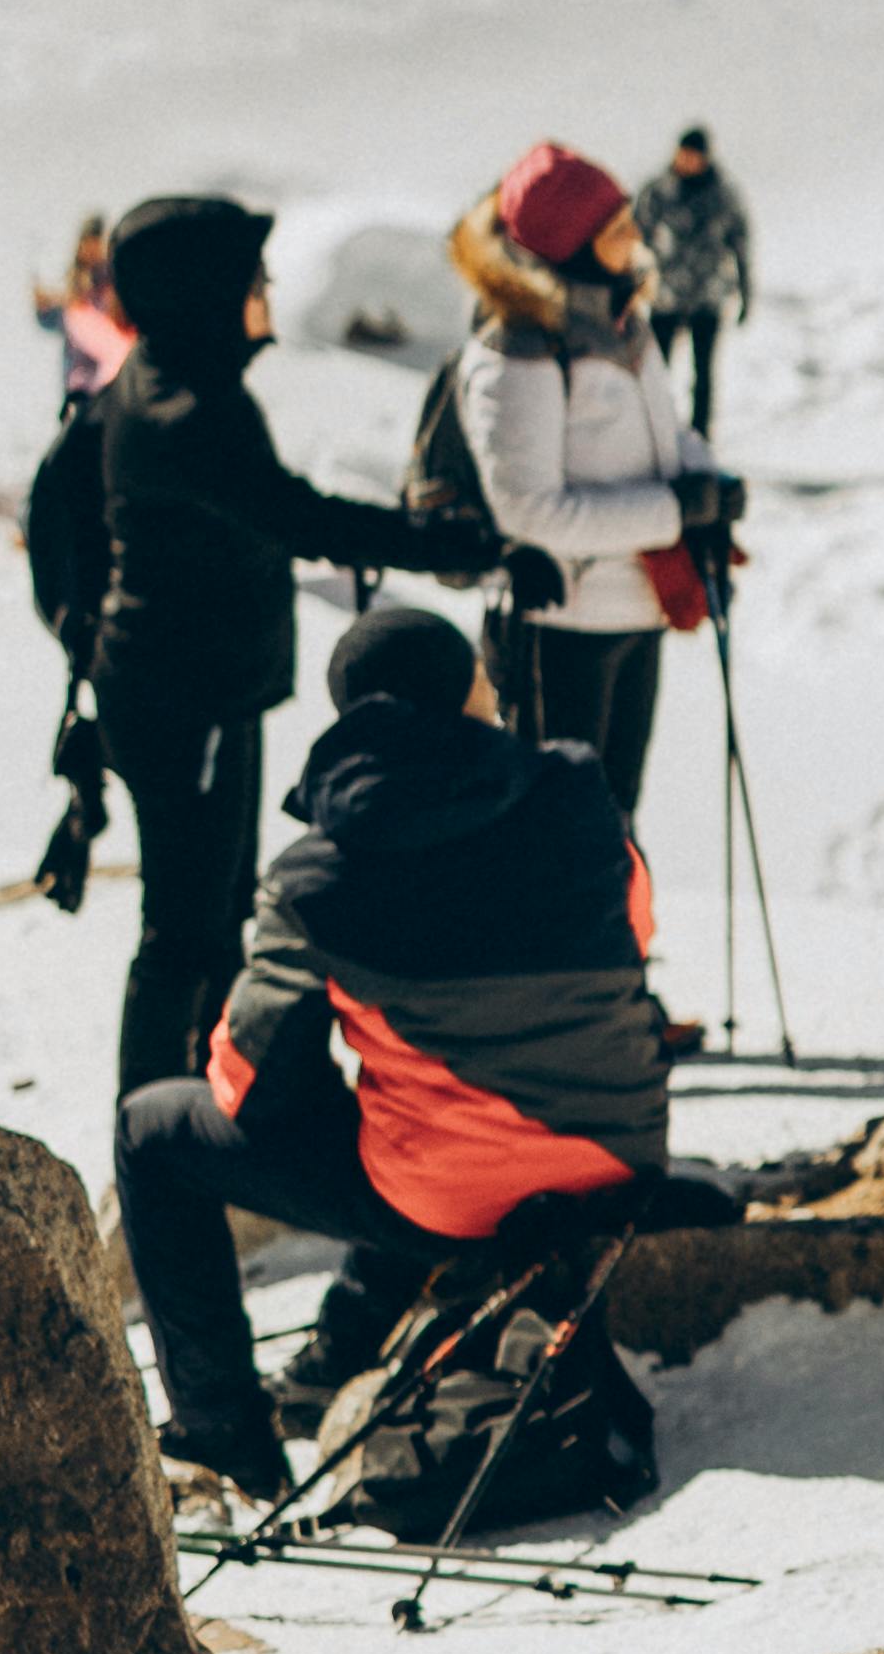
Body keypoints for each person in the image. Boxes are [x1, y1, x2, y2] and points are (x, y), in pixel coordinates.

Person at [113, 606, 678, 1493]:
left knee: (154, 1132)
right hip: (621, 1159)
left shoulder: (318, 873)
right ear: (468, 701)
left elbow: (249, 1082)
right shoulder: (583, 802)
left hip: (449, 1197)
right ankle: (341, 1350)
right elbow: (634, 938)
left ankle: (223, 1433)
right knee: (418, 1112)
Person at [84, 194, 512, 1104]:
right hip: (181, 698)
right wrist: (437, 546)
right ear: (205, 292)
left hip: (187, 691)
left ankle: (194, 1107)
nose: (269, 290)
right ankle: (155, 1128)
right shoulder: (190, 410)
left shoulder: (160, 381)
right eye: (252, 276)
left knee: (213, 913)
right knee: (185, 929)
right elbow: (294, 515)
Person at [452, 145, 734, 816]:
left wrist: (706, 480)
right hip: (563, 622)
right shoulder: (520, 350)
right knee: (559, 830)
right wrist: (675, 511)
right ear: (568, 246)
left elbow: (665, 433)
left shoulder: (621, 319)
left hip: (636, 605)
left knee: (613, 818)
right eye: (616, 230)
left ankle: (617, 926)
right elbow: (529, 510)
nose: (637, 239)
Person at [636, 124, 753, 434]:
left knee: (703, 374)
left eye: (694, 155)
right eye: (683, 154)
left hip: (707, 296)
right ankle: (655, 430)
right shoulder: (659, 191)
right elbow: (636, 239)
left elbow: (740, 243)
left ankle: (701, 436)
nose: (688, 161)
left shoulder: (722, 195)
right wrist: (632, 286)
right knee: (656, 369)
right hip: (666, 294)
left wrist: (745, 292)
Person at [33, 211, 128, 405]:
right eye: (88, 242)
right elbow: (51, 319)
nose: (92, 250)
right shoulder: (74, 287)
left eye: (97, 243)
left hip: (109, 386)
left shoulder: (113, 282)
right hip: (81, 388)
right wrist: (45, 307)